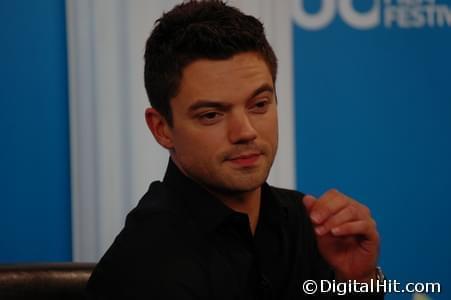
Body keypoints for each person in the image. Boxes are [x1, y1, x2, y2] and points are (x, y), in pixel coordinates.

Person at [86, 1, 384, 299]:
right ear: (162, 128)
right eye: (211, 115)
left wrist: (360, 283)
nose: (245, 132)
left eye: (259, 105)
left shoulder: (310, 227)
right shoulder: (142, 267)